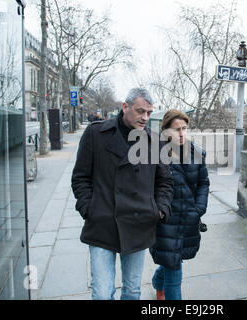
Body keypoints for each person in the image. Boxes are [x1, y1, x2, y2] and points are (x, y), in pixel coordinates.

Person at [71, 88, 173, 300]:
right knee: (101, 293)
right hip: (102, 223)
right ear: (125, 107)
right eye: (140, 111)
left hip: (139, 223)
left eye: (149, 112)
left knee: (132, 291)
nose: (145, 118)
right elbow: (80, 177)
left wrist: (159, 210)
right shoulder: (95, 134)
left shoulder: (155, 141)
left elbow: (165, 181)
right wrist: (89, 208)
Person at [149, 109, 210, 300]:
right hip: (166, 221)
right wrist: (158, 211)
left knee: (173, 261)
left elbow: (203, 183)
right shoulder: (154, 155)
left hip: (188, 219)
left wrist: (199, 208)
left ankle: (158, 283)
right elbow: (149, 187)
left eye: (185, 128)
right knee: (175, 271)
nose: (182, 133)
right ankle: (163, 290)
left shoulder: (197, 153)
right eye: (176, 129)